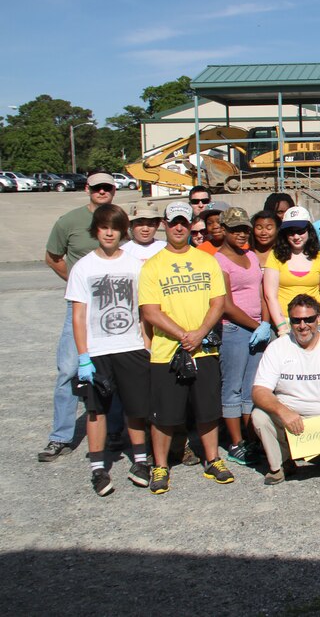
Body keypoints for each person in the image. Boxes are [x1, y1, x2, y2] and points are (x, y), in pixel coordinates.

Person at [138, 201, 232, 494]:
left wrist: (201, 332)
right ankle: (161, 465)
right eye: (173, 222)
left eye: (184, 221)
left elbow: (218, 302)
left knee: (207, 410)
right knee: (164, 415)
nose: (179, 227)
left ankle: (212, 459)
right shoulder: (152, 266)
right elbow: (150, 311)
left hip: (203, 348)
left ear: (192, 225)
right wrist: (182, 335)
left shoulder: (208, 261)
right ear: (164, 225)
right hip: (167, 351)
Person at [66, 204, 152, 495]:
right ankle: (98, 469)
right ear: (96, 230)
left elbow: (143, 311)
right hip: (98, 350)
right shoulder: (84, 267)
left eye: (115, 228)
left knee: (135, 407)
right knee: (96, 410)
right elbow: (79, 314)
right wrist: (83, 355)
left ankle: (140, 460)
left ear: (121, 232)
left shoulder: (134, 265)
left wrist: (147, 345)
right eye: (104, 227)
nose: (109, 233)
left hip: (131, 346)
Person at [40, 171, 121, 462]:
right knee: (68, 370)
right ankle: (60, 436)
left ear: (114, 190)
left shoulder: (119, 217)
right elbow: (53, 257)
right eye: (96, 187)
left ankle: (114, 431)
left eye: (107, 187)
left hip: (114, 308)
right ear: (88, 188)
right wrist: (75, 282)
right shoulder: (69, 221)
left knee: (112, 369)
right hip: (80, 308)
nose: (102, 191)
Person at [251, 294, 320, 485]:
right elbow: (259, 391)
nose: (303, 325)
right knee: (259, 416)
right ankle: (281, 464)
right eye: (296, 320)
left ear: (319, 318)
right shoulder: (277, 347)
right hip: (289, 412)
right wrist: (283, 411)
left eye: (309, 319)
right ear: (290, 321)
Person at [214, 207, 272, 466]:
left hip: (257, 328)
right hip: (235, 329)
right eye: (235, 229)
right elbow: (225, 303)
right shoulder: (219, 260)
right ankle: (235, 442)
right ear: (223, 230)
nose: (241, 234)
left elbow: (261, 292)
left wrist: (266, 322)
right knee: (232, 388)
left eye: (244, 229)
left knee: (251, 388)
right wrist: (253, 324)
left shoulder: (250, 255)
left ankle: (251, 438)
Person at [264, 206, 320, 339]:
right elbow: (270, 296)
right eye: (291, 232)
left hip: (315, 323)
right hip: (285, 323)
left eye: (300, 231)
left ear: (309, 230)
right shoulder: (275, 256)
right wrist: (282, 329)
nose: (296, 236)